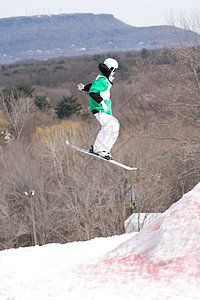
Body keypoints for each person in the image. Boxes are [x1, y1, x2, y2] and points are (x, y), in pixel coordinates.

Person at [77, 58, 120, 160]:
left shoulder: (103, 78)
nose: (114, 73)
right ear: (111, 69)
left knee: (115, 125)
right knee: (109, 125)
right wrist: (101, 102)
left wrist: (84, 88)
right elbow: (93, 91)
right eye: (114, 70)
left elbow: (93, 85)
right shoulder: (103, 81)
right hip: (99, 108)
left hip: (104, 109)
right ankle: (98, 149)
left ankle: (105, 150)